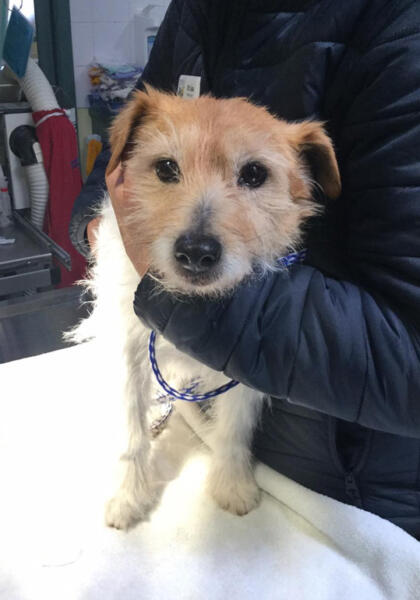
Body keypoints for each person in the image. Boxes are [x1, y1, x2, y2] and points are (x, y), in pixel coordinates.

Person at [69, 0, 420, 538]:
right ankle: (133, 466)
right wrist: (94, 219)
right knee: (129, 348)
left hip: (345, 484)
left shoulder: (397, 22)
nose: (201, 231)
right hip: (206, 404)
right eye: (169, 168)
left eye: (253, 175)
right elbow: (118, 161)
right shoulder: (196, 9)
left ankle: (232, 453)